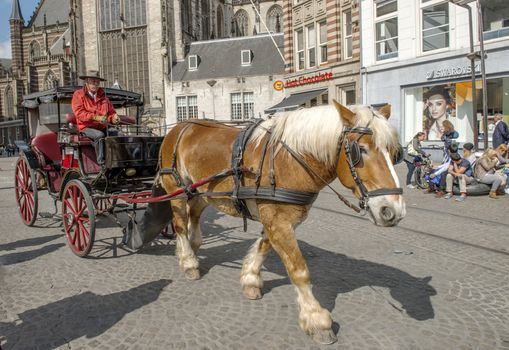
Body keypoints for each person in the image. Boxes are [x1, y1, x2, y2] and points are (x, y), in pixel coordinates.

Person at [71, 70, 120, 168]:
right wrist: (95, 117)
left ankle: (118, 160)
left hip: (102, 126)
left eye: (97, 82)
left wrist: (114, 118)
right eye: (93, 81)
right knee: (99, 135)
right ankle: (102, 164)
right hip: (86, 128)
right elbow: (79, 113)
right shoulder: (78, 95)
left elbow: (111, 112)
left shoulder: (104, 96)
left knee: (119, 134)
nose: (96, 84)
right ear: (87, 81)